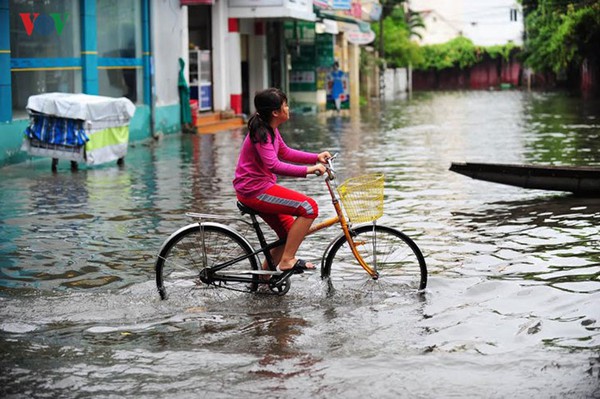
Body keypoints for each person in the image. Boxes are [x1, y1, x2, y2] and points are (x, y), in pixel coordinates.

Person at [233, 88, 331, 277]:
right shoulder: (261, 134)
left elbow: (284, 152)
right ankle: (287, 261)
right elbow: (274, 165)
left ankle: (262, 282)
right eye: (285, 105)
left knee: (288, 234)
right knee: (309, 207)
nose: (288, 108)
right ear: (275, 112)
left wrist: (316, 157)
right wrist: (310, 170)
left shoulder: (269, 129)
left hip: (260, 187)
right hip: (254, 191)